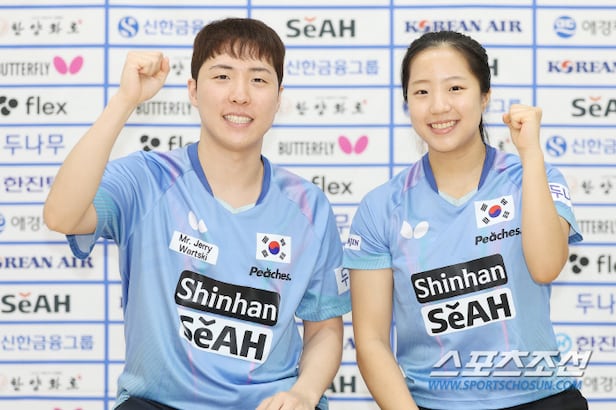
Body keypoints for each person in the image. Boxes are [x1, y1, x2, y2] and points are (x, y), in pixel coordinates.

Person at [43, 17, 350, 410]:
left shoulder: (308, 206)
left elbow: (323, 328)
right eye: (222, 76)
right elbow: (62, 216)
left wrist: (304, 393)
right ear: (193, 90)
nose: (240, 95)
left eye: (258, 79)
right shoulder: (148, 179)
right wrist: (124, 101)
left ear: (278, 97)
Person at [343, 30, 587, 410]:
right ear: (407, 101)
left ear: (484, 95)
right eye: (421, 92)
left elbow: (546, 266)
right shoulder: (381, 207)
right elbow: (371, 341)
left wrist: (531, 155)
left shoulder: (533, 176)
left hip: (541, 398)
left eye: (455, 88)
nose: (439, 106)